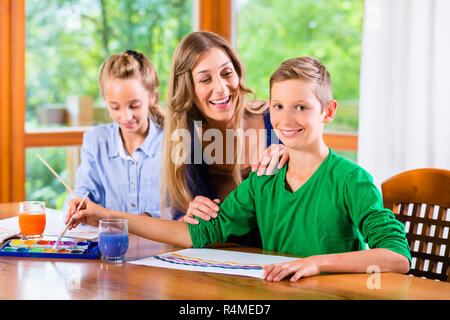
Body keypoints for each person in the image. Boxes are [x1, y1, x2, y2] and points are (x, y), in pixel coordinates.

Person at [66, 56, 411, 282]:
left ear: (328, 111)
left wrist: (317, 262)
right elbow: (194, 234)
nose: (286, 119)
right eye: (278, 106)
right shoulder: (264, 178)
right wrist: (101, 214)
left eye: (301, 107)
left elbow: (397, 257)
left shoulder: (351, 180)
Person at [161, 31, 286, 246]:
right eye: (205, 79)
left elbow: (319, 185)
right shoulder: (185, 140)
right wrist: (188, 218)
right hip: (219, 265)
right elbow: (181, 225)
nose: (221, 88)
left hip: (282, 261)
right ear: (187, 88)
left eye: (227, 73)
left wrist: (297, 156)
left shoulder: (276, 119)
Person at [63, 50, 166, 218]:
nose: (126, 117)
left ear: (152, 97)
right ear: (105, 101)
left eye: (134, 106)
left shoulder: (173, 141)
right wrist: (76, 203)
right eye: (115, 107)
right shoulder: (96, 140)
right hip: (109, 242)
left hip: (162, 244)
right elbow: (85, 189)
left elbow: (183, 207)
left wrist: (150, 219)